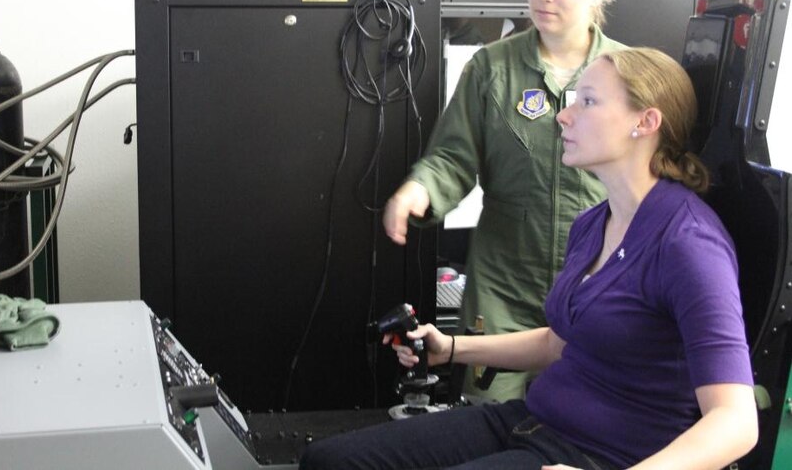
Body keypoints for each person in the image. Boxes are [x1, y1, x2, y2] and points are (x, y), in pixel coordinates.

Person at [302, 47, 758, 470]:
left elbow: (736, 423)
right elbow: (558, 344)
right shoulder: (594, 223)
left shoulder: (689, 245)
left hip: (598, 455)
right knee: (327, 462)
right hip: (530, 422)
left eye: (589, 102)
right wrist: (452, 348)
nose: (564, 115)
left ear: (645, 122)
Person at [383, 0, 626, 402]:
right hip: (504, 286)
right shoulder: (491, 69)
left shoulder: (628, 74)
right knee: (488, 419)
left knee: (577, 422)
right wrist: (420, 189)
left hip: (593, 285)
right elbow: (453, 156)